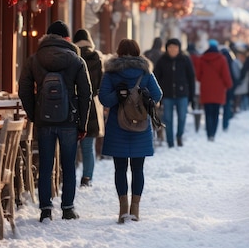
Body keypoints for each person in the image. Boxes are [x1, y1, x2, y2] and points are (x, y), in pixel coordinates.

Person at [18, 20, 92, 222]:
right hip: (69, 121)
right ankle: (67, 208)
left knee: (45, 165)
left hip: (44, 120)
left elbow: (23, 89)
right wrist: (82, 123)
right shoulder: (76, 60)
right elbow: (86, 93)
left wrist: (35, 114)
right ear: (67, 38)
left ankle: (45, 209)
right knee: (68, 165)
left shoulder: (34, 59)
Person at [99, 39, 163, 223]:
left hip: (117, 126)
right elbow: (157, 95)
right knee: (138, 168)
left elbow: (104, 99)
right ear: (137, 52)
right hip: (140, 126)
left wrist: (118, 96)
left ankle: (122, 209)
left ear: (118, 52)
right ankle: (135, 209)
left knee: (120, 168)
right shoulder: (145, 72)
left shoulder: (111, 73)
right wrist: (143, 97)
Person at [73, 28, 103, 188]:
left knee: (71, 146)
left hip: (72, 104)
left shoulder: (72, 55)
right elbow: (99, 84)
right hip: (91, 105)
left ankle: (69, 175)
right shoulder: (96, 57)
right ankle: (86, 178)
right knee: (88, 146)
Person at [153, 38, 196, 148]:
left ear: (179, 49)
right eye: (170, 47)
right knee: (168, 119)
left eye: (175, 48)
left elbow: (191, 78)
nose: (173, 50)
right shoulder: (162, 60)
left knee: (182, 117)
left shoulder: (185, 59)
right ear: (167, 48)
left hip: (182, 94)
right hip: (167, 95)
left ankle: (179, 136)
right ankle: (170, 141)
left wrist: (192, 96)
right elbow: (156, 77)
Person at [196, 39, 232, 141]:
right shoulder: (222, 59)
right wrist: (229, 85)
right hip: (218, 91)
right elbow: (226, 75)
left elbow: (198, 76)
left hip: (206, 90)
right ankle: (213, 134)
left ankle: (208, 133)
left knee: (208, 113)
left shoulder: (202, 59)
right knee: (216, 113)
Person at [219, 43, 239, 131]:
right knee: (227, 106)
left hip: (219, 88)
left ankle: (214, 124)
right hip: (230, 87)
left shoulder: (218, 61)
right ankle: (225, 124)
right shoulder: (233, 62)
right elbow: (236, 75)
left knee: (217, 106)